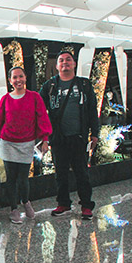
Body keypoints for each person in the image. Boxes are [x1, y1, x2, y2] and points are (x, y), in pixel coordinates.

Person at [39, 50, 100, 220]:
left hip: (79, 137)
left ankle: (86, 205)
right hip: (58, 137)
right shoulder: (50, 86)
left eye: (68, 60)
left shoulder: (84, 85)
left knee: (82, 172)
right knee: (61, 173)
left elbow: (92, 111)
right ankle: (63, 203)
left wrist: (95, 133)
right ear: (57, 65)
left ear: (74, 64)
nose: (65, 63)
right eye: (61, 60)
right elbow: (38, 107)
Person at [0, 67, 52, 224]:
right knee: (11, 177)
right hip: (8, 143)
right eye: (14, 77)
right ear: (10, 81)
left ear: (25, 78)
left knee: (23, 178)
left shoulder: (34, 97)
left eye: (20, 76)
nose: (18, 80)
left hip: (26, 143)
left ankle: (26, 201)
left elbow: (42, 117)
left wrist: (45, 139)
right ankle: (13, 209)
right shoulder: (5, 99)